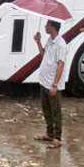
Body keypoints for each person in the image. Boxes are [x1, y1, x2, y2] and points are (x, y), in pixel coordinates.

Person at [34, 20, 67, 149]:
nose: (45, 26)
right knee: (46, 108)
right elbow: (44, 55)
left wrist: (55, 84)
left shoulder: (61, 44)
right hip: (44, 80)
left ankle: (57, 138)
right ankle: (49, 133)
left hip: (52, 83)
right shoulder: (50, 40)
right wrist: (38, 42)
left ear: (53, 26)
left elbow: (61, 64)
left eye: (47, 24)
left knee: (55, 110)